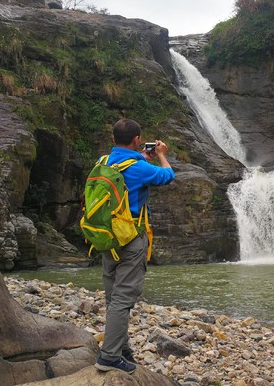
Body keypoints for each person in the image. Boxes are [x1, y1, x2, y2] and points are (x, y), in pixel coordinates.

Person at [95, 118, 175, 373]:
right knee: (123, 298)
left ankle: (120, 347)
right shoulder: (139, 166)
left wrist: (141, 156)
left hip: (107, 237)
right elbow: (167, 175)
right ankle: (109, 357)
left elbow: (129, 171)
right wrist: (161, 155)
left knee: (113, 296)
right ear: (138, 139)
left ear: (113, 138)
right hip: (130, 238)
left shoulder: (104, 161)